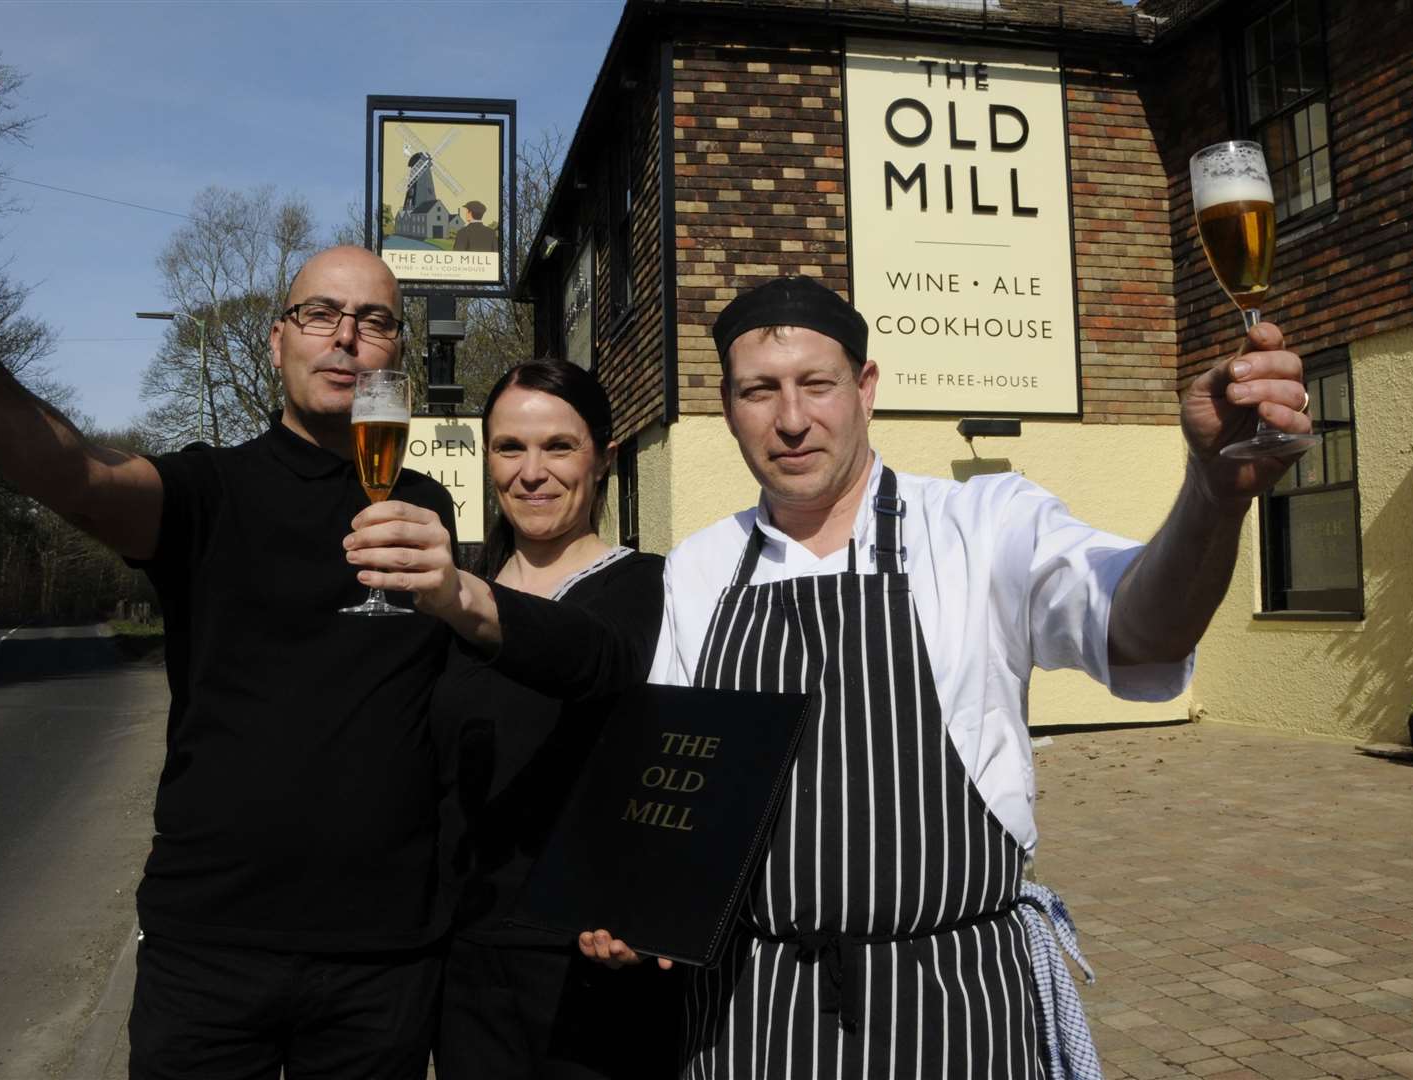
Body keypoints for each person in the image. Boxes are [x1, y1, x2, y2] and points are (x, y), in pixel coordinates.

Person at [345, 274, 1313, 1079]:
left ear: (865, 385)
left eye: (815, 382)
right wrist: (630, 906)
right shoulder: (703, 566)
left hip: (951, 996)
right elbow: (666, 780)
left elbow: (1139, 630)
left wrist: (1212, 496)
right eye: (758, 390)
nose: (791, 418)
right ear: (725, 408)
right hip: (748, 1010)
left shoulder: (982, 525)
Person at [0, 220, 456, 1080]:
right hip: (213, 946)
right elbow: (80, 476)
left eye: (374, 319)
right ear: (277, 337)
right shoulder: (210, 490)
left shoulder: (428, 507)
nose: (346, 335)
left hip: (387, 953)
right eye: (320, 312)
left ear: (396, 349)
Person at [427, 361, 678, 1079]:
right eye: (510, 448)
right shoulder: (446, 603)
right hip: (466, 960)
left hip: (593, 962)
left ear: (603, 456)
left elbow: (595, 658)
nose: (531, 472)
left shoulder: (651, 588)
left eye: (558, 447)